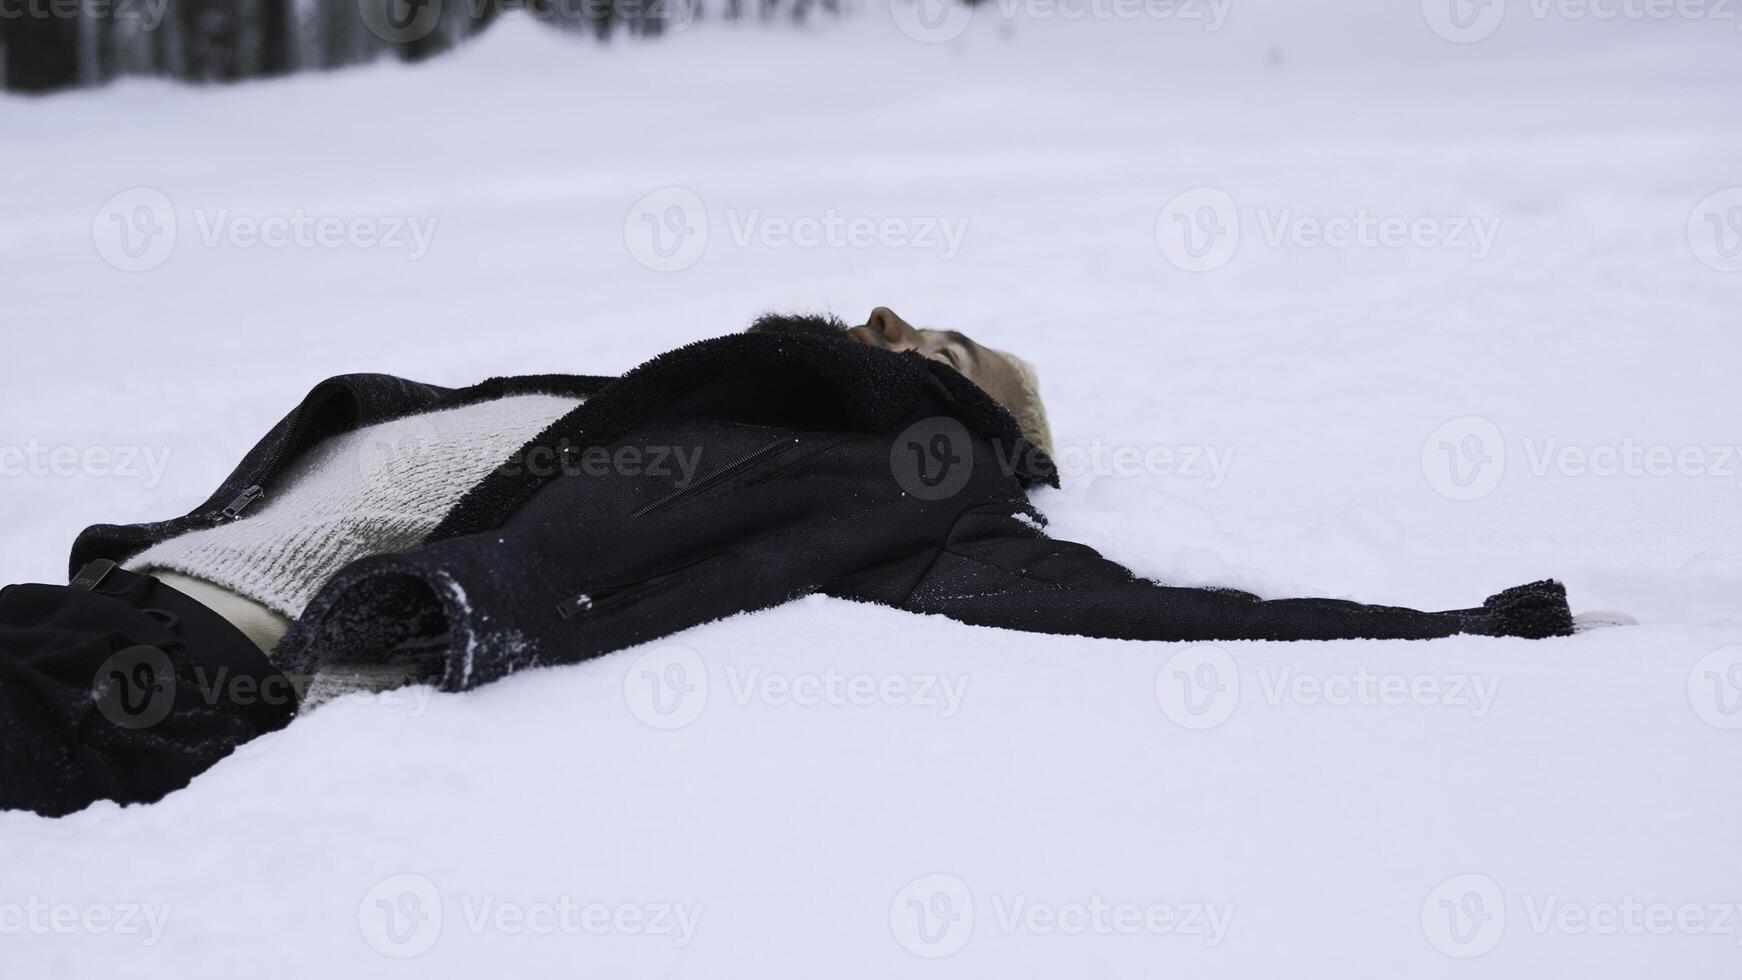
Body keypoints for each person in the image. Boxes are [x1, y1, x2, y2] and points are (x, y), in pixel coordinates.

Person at [0, 308, 1588, 817]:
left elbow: (1123, 609)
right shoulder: (683, 388)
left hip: (194, 675)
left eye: (938, 341)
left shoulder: (887, 453)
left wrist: (1435, 626)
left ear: (971, 413)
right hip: (116, 607)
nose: (891, 319)